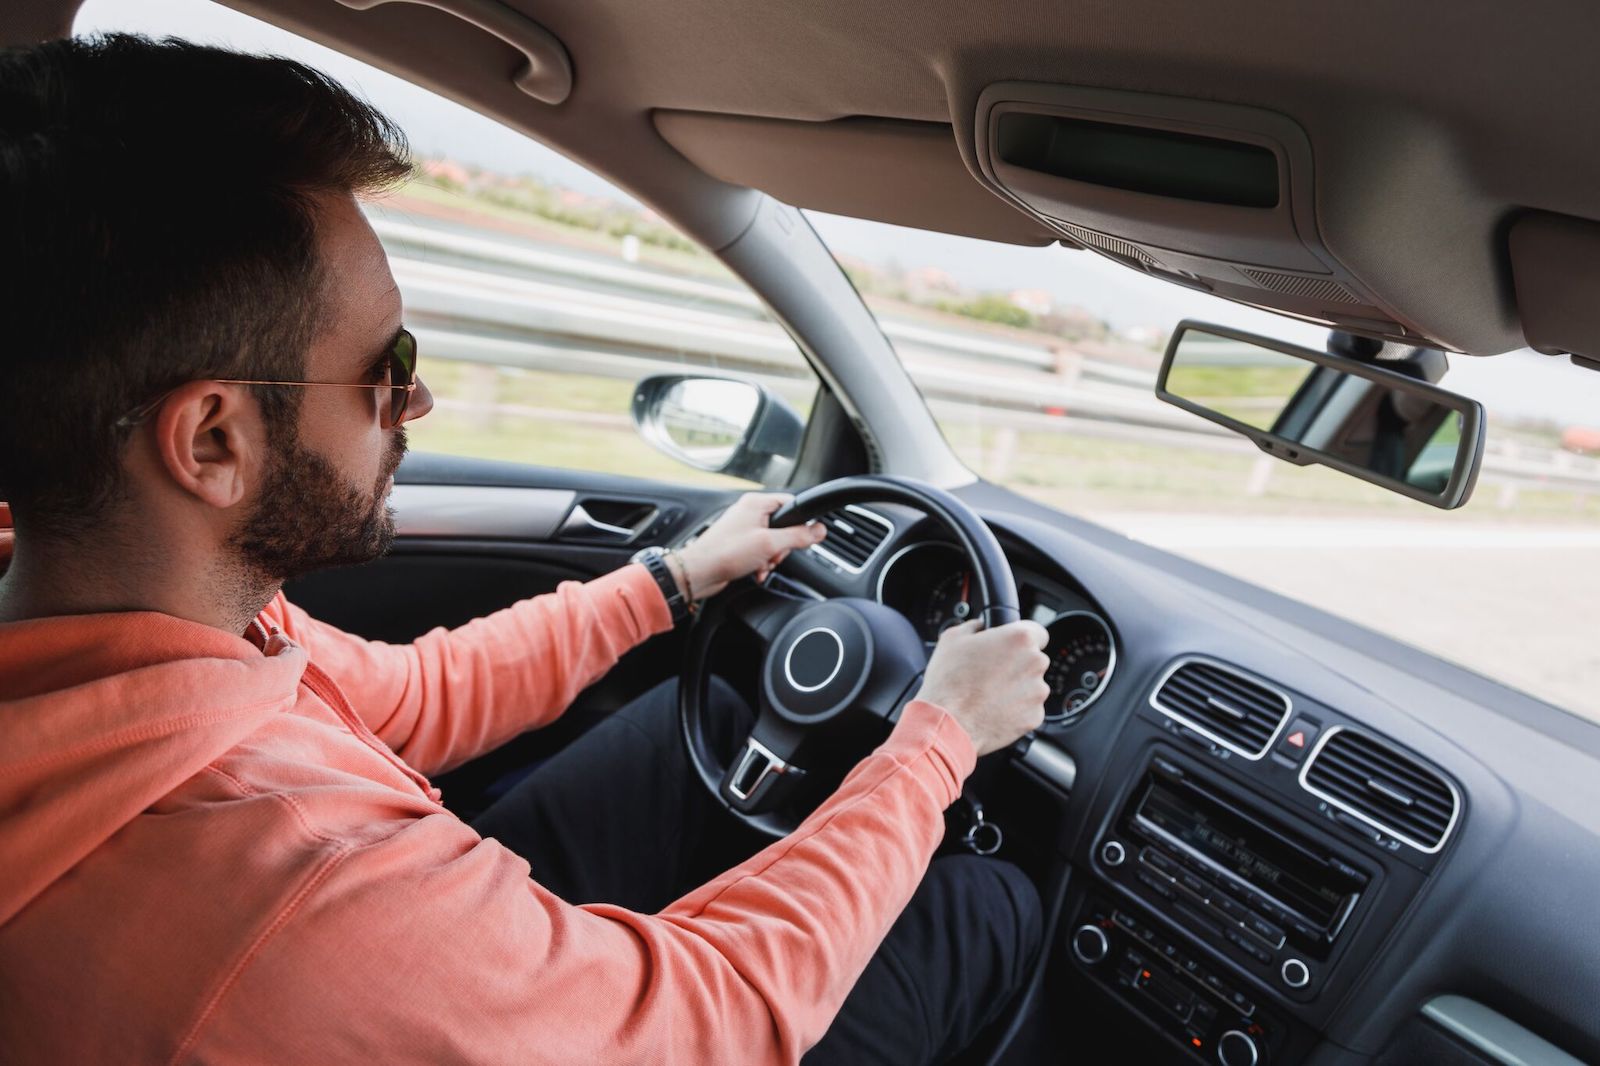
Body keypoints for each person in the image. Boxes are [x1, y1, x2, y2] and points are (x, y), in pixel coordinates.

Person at [0, 34, 1050, 1064]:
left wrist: (671, 583)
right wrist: (938, 736)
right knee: (985, 907)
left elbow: (410, 700)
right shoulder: (299, 893)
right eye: (383, 364)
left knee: (723, 709)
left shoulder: (145, 622)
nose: (417, 398)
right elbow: (709, 1022)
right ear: (214, 441)